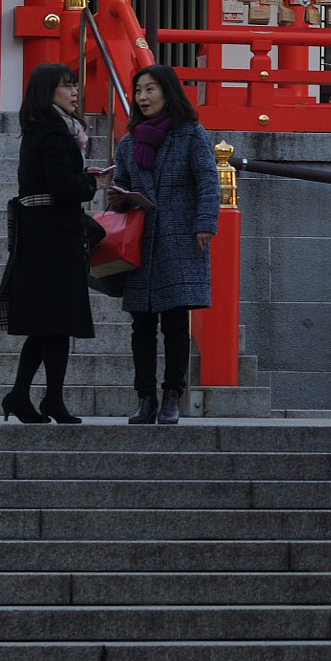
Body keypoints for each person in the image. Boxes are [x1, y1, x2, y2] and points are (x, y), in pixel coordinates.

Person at [109, 64, 220, 426]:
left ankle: (173, 394)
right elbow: (123, 184)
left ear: (168, 92)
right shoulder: (129, 142)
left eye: (150, 89)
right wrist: (119, 197)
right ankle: (145, 397)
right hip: (141, 240)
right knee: (141, 325)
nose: (142, 97)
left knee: (175, 322)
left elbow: (207, 180)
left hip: (181, 236)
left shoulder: (190, 134)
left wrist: (205, 224)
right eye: (138, 90)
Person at [0, 63, 97, 424]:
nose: (74, 92)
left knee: (47, 324)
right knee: (56, 322)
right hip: (53, 238)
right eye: (67, 86)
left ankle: (24, 395)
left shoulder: (37, 131)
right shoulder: (55, 135)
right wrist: (92, 183)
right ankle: (47, 399)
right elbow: (65, 188)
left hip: (41, 236)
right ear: (46, 92)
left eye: (74, 85)